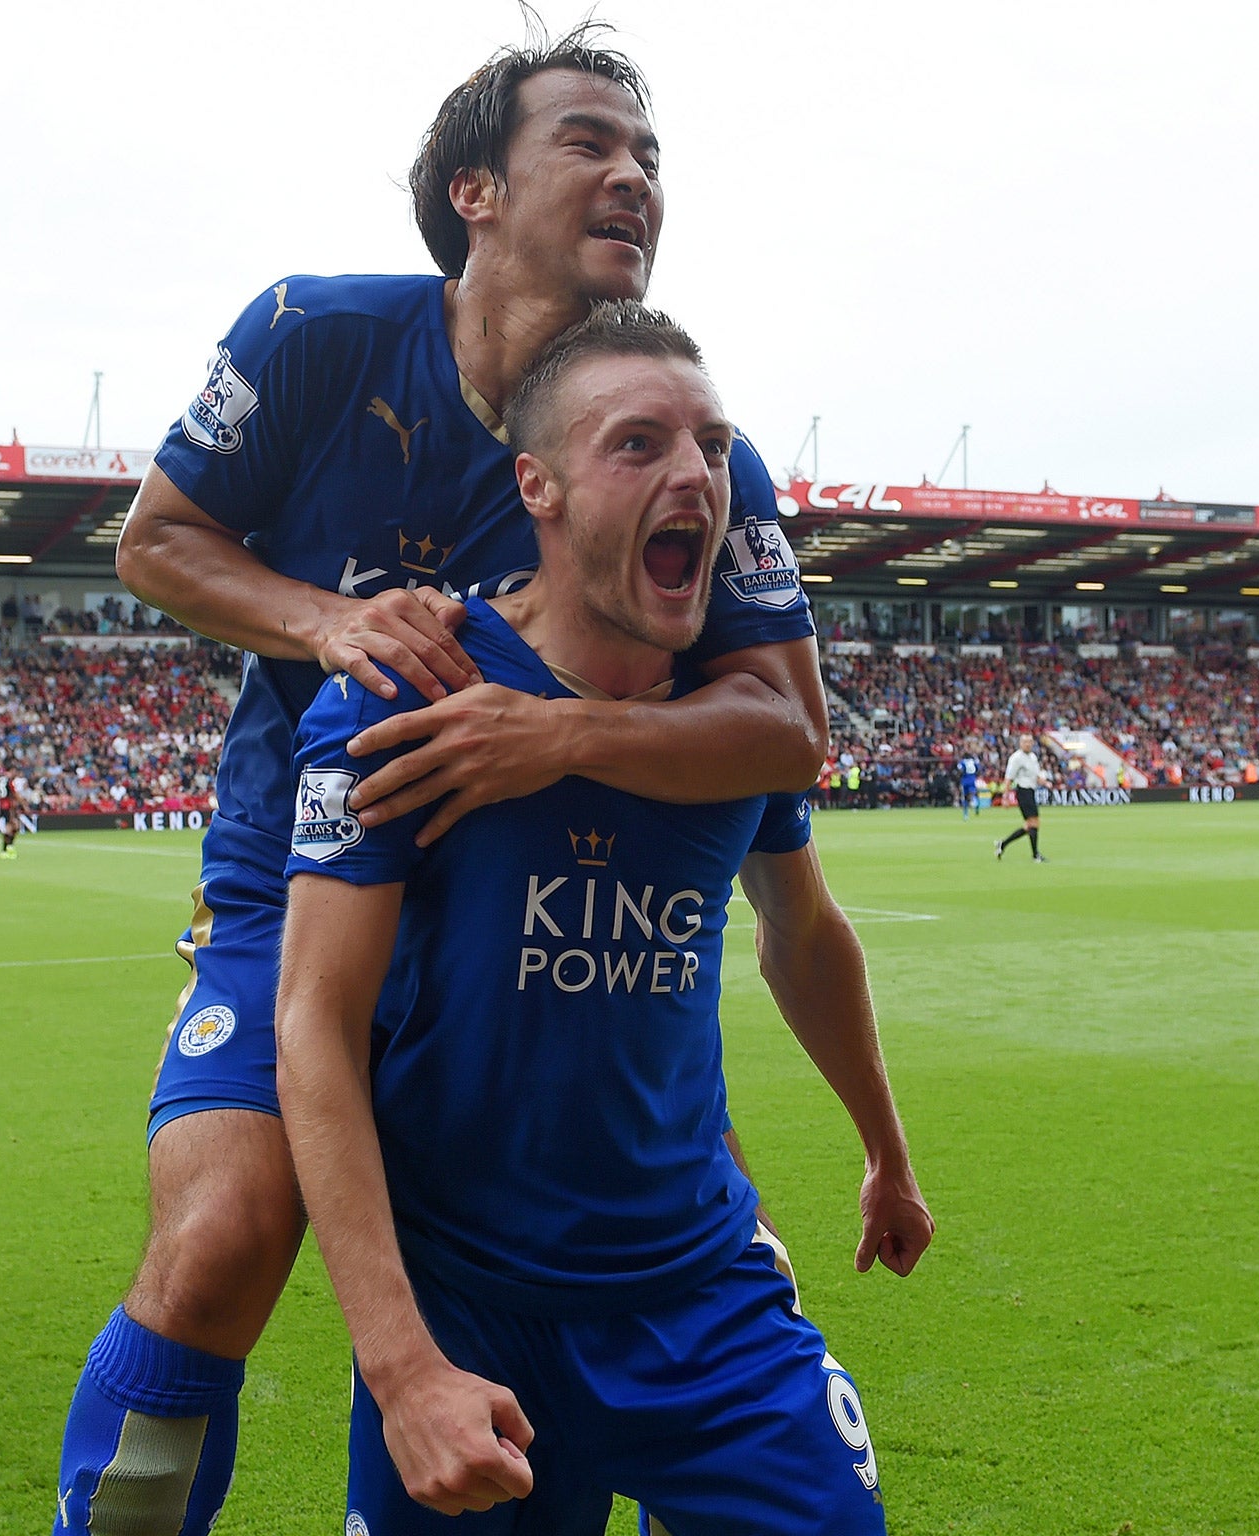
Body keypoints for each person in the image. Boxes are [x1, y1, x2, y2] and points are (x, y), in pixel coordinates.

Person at [53, 29, 877, 1536]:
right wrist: (332, 621)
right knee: (227, 1232)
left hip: (546, 902)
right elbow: (151, 542)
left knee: (694, 1283)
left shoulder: (693, 449)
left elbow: (783, 727)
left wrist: (553, 737)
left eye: (651, 158)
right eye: (591, 143)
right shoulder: (314, 336)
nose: (633, 175)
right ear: (472, 190)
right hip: (311, 867)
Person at [278, 306, 928, 1532]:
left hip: (702, 1298)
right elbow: (313, 1021)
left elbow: (804, 930)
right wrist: (400, 1363)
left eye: (711, 445)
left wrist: (883, 1148)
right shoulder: (419, 692)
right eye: (637, 444)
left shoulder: (732, 728)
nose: (693, 472)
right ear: (541, 485)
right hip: (472, 1314)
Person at [995, 732, 1049, 862]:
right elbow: (1008, 778)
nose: (1028, 744)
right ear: (1020, 743)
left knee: (1029, 826)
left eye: (1030, 742)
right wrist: (1005, 797)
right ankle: (1035, 855)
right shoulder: (1016, 758)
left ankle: (1003, 844)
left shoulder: (1033, 757)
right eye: (1025, 742)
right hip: (1023, 791)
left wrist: (1044, 782)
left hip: (1030, 791)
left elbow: (1035, 775)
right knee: (1034, 823)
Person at [0, 774, 22, 859]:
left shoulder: (0, 780)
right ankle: (7, 849)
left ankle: (7, 849)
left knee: (13, 827)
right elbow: (14, 794)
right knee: (12, 827)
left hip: (3, 806)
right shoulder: (9, 781)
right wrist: (23, 803)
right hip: (8, 807)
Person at [957, 744, 983, 819]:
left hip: (965, 780)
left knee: (965, 797)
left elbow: (960, 769)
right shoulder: (973, 761)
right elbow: (978, 768)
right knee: (974, 793)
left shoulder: (962, 762)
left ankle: (966, 814)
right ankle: (975, 803)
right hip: (972, 779)